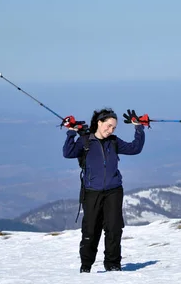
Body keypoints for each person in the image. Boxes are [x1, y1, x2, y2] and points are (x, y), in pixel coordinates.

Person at [62, 108, 147, 273]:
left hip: (114, 191)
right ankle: (86, 266)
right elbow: (68, 153)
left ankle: (113, 265)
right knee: (90, 230)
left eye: (114, 128)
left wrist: (139, 128)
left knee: (114, 228)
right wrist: (72, 132)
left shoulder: (114, 142)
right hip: (92, 192)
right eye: (108, 126)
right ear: (99, 123)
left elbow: (135, 148)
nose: (110, 130)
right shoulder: (85, 141)